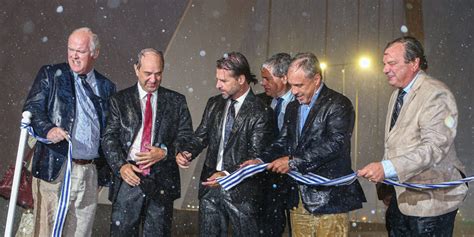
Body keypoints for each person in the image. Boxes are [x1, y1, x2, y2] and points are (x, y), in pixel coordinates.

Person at [244, 52, 366, 236]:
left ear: (316, 79)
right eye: (291, 85)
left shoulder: (338, 104)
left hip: (329, 200)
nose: (293, 91)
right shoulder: (294, 107)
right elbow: (284, 141)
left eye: (299, 85)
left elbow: (335, 144)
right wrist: (261, 160)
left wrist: (293, 162)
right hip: (298, 198)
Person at [358, 36, 468, 236]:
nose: (384, 69)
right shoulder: (397, 94)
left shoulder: (435, 95)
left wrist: (387, 168)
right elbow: (396, 143)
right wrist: (388, 187)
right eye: (384, 64)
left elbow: (433, 149)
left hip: (431, 204)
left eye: (392, 63)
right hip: (402, 201)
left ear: (414, 63)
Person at [23, 27, 116, 237]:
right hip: (56, 168)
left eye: (80, 51)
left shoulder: (106, 86)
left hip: (89, 174)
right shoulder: (51, 75)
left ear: (95, 53)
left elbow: (110, 130)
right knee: (47, 232)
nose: (73, 55)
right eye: (70, 49)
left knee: (80, 233)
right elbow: (32, 109)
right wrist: (48, 130)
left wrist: (104, 173)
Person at [176, 52, 275, 237]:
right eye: (217, 79)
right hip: (210, 189)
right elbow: (201, 136)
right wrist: (187, 151)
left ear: (241, 79)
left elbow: (255, 156)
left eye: (223, 80)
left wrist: (226, 174)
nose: (217, 85)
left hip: (243, 193)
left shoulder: (261, 112)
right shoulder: (214, 103)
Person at [102, 48, 193, 237]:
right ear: (136, 69)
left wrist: (165, 152)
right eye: (148, 73)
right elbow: (109, 137)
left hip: (162, 181)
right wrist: (121, 167)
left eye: (158, 74)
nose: (153, 79)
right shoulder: (120, 100)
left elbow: (186, 136)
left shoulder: (176, 101)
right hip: (129, 178)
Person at [256, 52, 294, 237]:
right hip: (266, 179)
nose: (262, 83)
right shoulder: (258, 102)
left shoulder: (303, 103)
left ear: (284, 78)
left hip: (293, 177)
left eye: (267, 78)